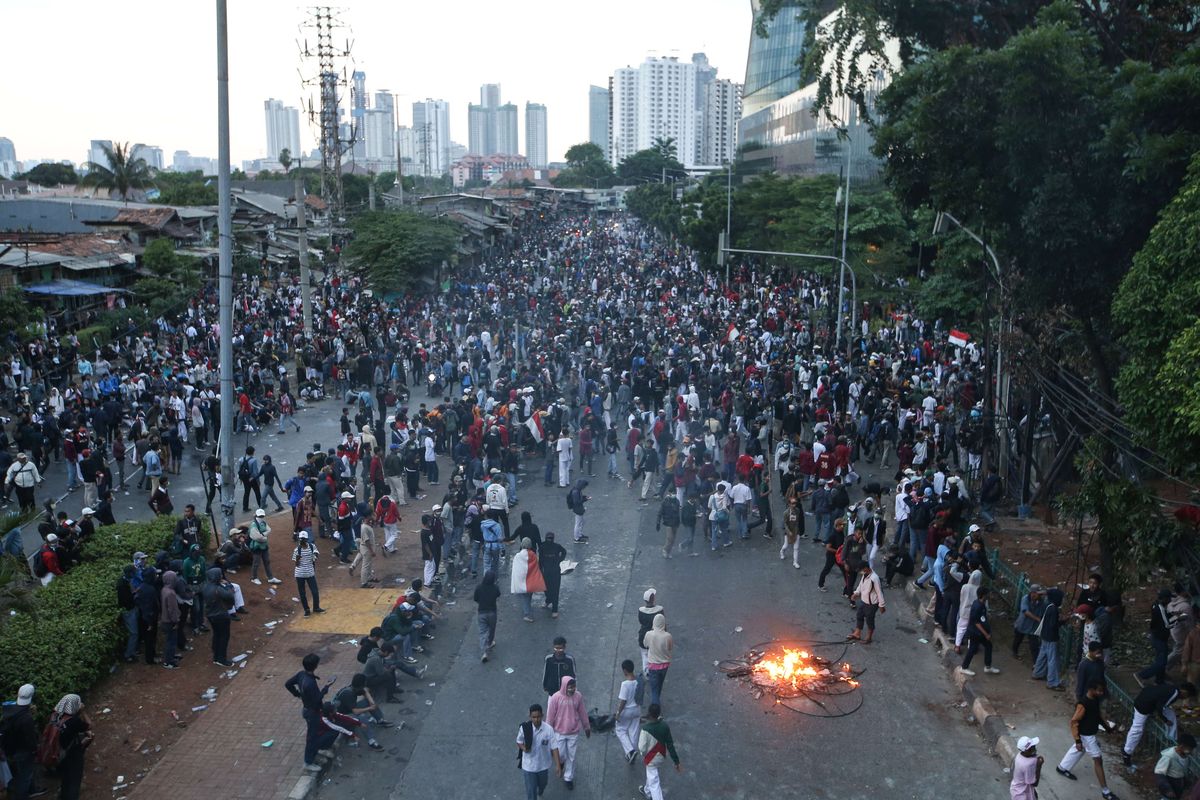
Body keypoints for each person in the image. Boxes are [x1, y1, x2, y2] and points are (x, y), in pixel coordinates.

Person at [1055, 680, 1120, 800]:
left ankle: (1062, 767)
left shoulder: (1095, 700)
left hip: (1089, 735)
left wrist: (1108, 728)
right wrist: (1078, 740)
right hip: (1087, 736)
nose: (1101, 693)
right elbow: (1074, 722)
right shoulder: (1083, 704)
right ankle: (1105, 792)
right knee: (1098, 760)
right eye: (1099, 690)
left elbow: (1098, 716)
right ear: (1091, 689)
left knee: (1079, 749)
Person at [1122, 681, 1196, 766]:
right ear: (1185, 692)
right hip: (1143, 707)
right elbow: (1159, 707)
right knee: (1137, 729)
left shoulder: (1172, 687)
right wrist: (1165, 720)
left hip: (1144, 699)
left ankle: (1171, 738)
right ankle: (1126, 753)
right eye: (1187, 696)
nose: (1185, 698)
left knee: (1171, 713)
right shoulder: (1175, 693)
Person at [285, 653, 336, 767]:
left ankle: (316, 751)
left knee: (315, 733)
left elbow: (288, 684)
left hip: (308, 710)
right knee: (312, 737)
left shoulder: (301, 675)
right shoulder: (310, 683)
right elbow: (317, 699)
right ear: (315, 666)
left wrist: (297, 694)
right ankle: (308, 761)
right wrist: (326, 687)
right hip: (312, 713)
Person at [545, 676, 591, 790]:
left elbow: (582, 712)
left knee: (572, 756)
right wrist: (547, 734)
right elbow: (550, 717)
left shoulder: (578, 697)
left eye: (574, 687)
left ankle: (568, 778)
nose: (572, 689)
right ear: (564, 686)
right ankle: (560, 762)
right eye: (570, 687)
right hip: (558, 732)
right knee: (561, 754)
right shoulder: (555, 698)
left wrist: (587, 727)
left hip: (573, 732)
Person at [52, 693, 94, 800]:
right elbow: (89, 725)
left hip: (58, 753)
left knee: (65, 779)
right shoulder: (73, 721)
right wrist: (82, 711)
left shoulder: (56, 716)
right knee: (74, 780)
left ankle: (62, 796)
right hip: (72, 754)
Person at [516, 704, 562, 800]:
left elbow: (554, 747)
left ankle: (540, 791)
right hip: (529, 766)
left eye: (538, 717)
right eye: (534, 717)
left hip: (543, 765)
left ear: (542, 715)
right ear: (530, 717)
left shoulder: (548, 730)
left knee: (543, 784)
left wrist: (558, 766)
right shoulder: (524, 728)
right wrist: (524, 748)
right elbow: (519, 741)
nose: (536, 720)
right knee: (531, 791)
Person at [1, 684, 38, 800]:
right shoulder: (26, 718)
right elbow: (30, 739)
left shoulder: (9, 710)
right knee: (24, 777)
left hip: (10, 750)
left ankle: (32, 790)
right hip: (23, 752)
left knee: (19, 774)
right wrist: (34, 750)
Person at [637, 703, 682, 800]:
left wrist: (643, 754)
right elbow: (670, 745)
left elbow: (642, 748)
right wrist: (676, 761)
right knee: (651, 775)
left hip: (650, 758)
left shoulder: (645, 730)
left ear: (649, 713)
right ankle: (647, 791)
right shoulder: (664, 726)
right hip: (661, 756)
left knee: (654, 782)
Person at [1032, 587, 1066, 690]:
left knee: (1042, 656)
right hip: (1051, 638)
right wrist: (1063, 621)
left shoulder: (1048, 606)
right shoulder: (1054, 609)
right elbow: (1053, 625)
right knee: (1052, 660)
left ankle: (1037, 673)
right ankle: (1052, 683)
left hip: (1044, 636)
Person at [960, 586, 1000, 676]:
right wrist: (986, 634)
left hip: (979, 633)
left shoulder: (980, 604)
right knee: (972, 649)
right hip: (975, 632)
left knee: (988, 646)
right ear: (983, 595)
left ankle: (988, 666)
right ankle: (964, 667)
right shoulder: (978, 606)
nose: (989, 595)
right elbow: (976, 622)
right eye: (987, 594)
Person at [1137, 588, 1173, 686]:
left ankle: (1159, 680)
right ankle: (1142, 675)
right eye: (1169, 599)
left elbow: (1164, 618)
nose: (1170, 601)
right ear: (1164, 599)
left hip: (1158, 636)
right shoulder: (1160, 608)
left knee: (1161, 660)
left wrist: (1171, 615)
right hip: (1159, 638)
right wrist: (1178, 619)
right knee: (1161, 662)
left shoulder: (1156, 605)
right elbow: (1167, 625)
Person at [203, 566, 235, 667]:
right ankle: (222, 659)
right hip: (221, 615)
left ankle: (216, 656)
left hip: (210, 615)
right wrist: (228, 585)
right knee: (224, 637)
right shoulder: (218, 589)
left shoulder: (206, 586)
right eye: (219, 574)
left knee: (217, 635)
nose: (221, 576)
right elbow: (229, 595)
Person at [847, 562, 886, 644]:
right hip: (863, 601)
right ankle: (857, 633)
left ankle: (869, 637)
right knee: (859, 616)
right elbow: (861, 585)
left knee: (869, 620)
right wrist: (856, 593)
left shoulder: (874, 578)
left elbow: (879, 592)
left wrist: (881, 605)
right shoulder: (864, 575)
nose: (861, 572)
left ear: (866, 568)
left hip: (872, 604)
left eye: (861, 570)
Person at [614, 659, 642, 765]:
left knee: (620, 730)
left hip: (627, 711)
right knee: (634, 731)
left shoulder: (625, 684)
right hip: (637, 710)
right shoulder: (639, 681)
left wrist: (618, 713)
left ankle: (630, 751)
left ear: (625, 671)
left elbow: (623, 701)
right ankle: (632, 753)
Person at [511, 537, 546, 623]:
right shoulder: (533, 555)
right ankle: (527, 609)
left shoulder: (518, 556)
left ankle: (527, 614)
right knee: (528, 596)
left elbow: (516, 569)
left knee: (525, 597)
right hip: (531, 581)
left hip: (522, 581)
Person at [293, 531, 326, 617]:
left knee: (315, 591)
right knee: (302, 593)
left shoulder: (312, 546)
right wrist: (297, 559)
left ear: (307, 539)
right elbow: (296, 564)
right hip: (300, 574)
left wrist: (314, 557)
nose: (302, 540)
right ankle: (306, 610)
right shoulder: (297, 550)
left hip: (310, 573)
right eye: (301, 539)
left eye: (303, 539)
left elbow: (316, 554)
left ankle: (316, 607)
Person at [1153, 733, 1195, 800]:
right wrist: (1167, 789)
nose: (1190, 751)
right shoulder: (1169, 756)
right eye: (1189, 749)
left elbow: (1183, 771)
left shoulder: (1186, 757)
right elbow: (1159, 773)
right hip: (1170, 786)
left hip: (1178, 786)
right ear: (1182, 746)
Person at [643, 613, 673, 708]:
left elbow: (645, 644)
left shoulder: (649, 634)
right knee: (659, 685)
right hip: (665, 666)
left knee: (654, 690)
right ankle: (657, 701)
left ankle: (655, 709)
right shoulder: (668, 636)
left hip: (653, 666)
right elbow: (670, 648)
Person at [1012, 585, 1046, 662]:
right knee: (1018, 640)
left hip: (1032, 627)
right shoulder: (1025, 599)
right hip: (1022, 624)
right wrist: (1037, 618)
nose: (1040, 595)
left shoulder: (1041, 602)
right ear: (1032, 593)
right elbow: (1025, 612)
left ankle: (1035, 662)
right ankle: (1015, 652)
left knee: (1034, 645)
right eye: (1038, 593)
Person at [248, 508, 281, 585]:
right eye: (260, 516)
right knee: (256, 562)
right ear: (256, 515)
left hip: (264, 546)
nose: (261, 517)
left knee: (267, 561)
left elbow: (269, 530)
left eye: (262, 516)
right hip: (256, 547)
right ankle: (254, 578)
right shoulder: (253, 525)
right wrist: (264, 537)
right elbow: (256, 537)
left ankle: (270, 577)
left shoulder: (263, 522)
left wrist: (262, 535)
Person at [473, 570, 501, 662]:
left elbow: (475, 598)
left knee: (482, 632)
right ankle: (490, 642)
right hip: (492, 612)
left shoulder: (479, 587)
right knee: (491, 630)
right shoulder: (495, 588)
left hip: (482, 612)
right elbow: (498, 595)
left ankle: (484, 652)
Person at [539, 532, 566, 618]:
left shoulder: (557, 546)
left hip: (555, 572)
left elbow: (564, 552)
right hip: (546, 572)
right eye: (548, 538)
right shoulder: (542, 547)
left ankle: (555, 609)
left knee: (555, 591)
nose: (549, 540)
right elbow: (540, 559)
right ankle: (548, 600)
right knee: (545, 588)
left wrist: (559, 560)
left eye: (550, 538)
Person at [350, 503, 378, 588]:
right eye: (370, 515)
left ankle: (368, 577)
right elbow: (367, 541)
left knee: (368, 564)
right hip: (366, 548)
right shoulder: (364, 527)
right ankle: (364, 582)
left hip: (362, 544)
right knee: (366, 565)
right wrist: (372, 551)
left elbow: (374, 520)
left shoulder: (364, 523)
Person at [542, 637, 577, 701]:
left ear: (564, 648)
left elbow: (573, 676)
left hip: (566, 693)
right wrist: (545, 686)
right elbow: (545, 673)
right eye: (556, 648)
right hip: (552, 693)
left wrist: (573, 689)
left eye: (560, 648)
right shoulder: (549, 659)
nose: (558, 651)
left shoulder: (569, 660)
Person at [638, 589, 664, 674]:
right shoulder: (660, 610)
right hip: (656, 637)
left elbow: (640, 621)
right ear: (653, 599)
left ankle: (646, 672)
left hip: (644, 636)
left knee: (645, 655)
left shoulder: (641, 610)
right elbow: (662, 623)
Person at [1010, 735, 1043, 800]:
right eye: (1032, 747)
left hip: (1016, 790)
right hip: (1022, 794)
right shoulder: (1029, 764)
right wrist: (1039, 766)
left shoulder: (1019, 755)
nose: (1035, 748)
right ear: (1026, 751)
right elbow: (1034, 783)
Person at [567, 479, 590, 543]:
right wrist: (585, 499)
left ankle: (579, 535)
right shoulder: (576, 492)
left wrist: (584, 497)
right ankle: (576, 538)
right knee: (578, 523)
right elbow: (577, 502)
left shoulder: (577, 490)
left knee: (582, 522)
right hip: (578, 509)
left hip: (578, 509)